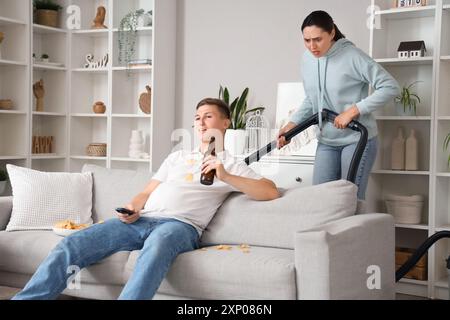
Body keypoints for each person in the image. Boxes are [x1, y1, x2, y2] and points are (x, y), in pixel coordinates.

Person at [13, 98, 280, 300]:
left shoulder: (230, 164)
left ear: (225, 123)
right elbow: (146, 192)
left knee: (156, 247)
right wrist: (132, 207)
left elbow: (269, 191)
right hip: (141, 219)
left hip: (180, 226)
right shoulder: (177, 157)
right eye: (197, 117)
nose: (200, 122)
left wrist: (225, 175)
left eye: (208, 116)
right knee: (73, 244)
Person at [277, 11, 400, 200]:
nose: (312, 46)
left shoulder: (352, 56)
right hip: (327, 140)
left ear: (332, 33)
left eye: (318, 39)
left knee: (348, 202)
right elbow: (312, 99)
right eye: (307, 40)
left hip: (357, 138)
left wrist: (352, 111)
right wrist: (291, 125)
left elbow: (390, 87)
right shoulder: (307, 60)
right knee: (321, 201)